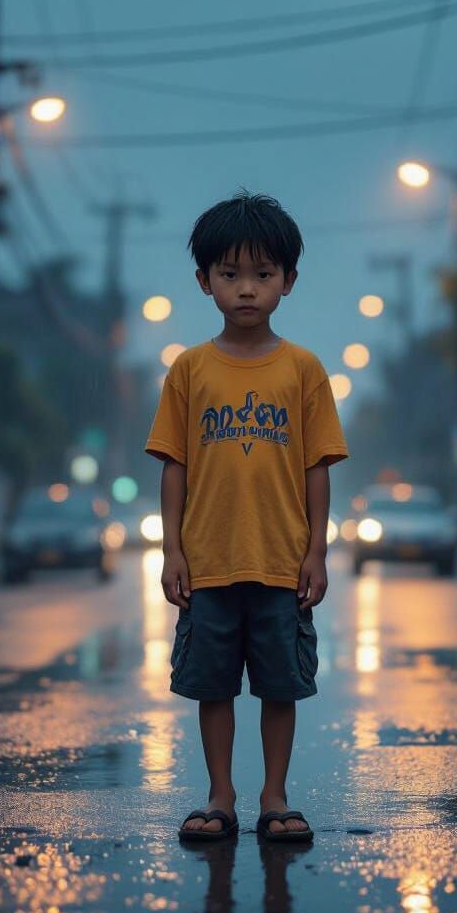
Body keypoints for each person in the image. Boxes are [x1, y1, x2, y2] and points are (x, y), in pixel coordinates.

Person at [144, 192, 349, 843]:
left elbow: (317, 467)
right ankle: (220, 794)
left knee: (279, 684)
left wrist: (316, 551)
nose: (247, 289)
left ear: (288, 281)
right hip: (208, 560)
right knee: (213, 685)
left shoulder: (303, 370)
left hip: (280, 561)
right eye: (230, 275)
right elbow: (173, 465)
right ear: (204, 281)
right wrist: (173, 551)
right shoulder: (190, 370)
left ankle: (275, 795)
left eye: (263, 274)